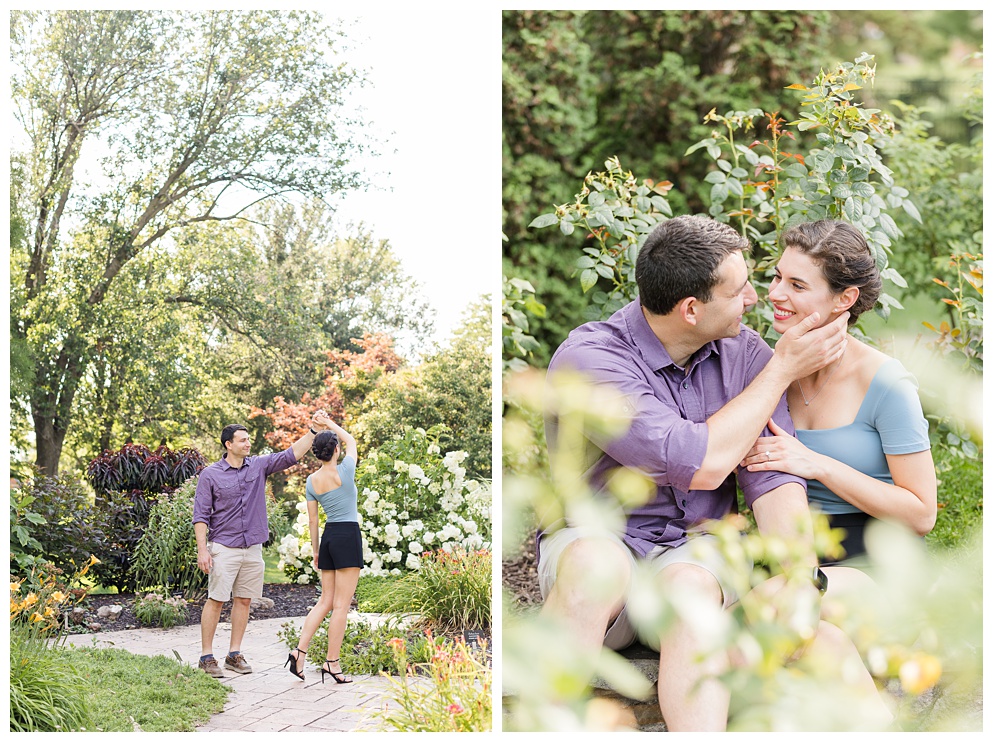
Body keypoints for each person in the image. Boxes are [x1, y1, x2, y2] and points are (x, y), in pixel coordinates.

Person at [540, 214, 886, 731]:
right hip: (599, 541)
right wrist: (783, 371)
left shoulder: (745, 355)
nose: (754, 298)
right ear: (692, 310)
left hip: (696, 555)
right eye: (740, 288)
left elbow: (770, 475)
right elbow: (696, 461)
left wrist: (797, 579)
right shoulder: (592, 359)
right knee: (594, 563)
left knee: (693, 587)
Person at [741, 219, 937, 571]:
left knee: (782, 610)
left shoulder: (886, 383)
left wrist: (818, 465)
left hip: (876, 552)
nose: (775, 293)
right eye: (777, 277)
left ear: (844, 299)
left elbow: (922, 514)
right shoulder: (769, 371)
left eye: (797, 285)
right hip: (792, 545)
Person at [193, 410, 330, 678]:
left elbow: (291, 455)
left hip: (252, 548)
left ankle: (234, 654)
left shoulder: (258, 465)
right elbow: (201, 515)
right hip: (224, 547)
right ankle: (206, 657)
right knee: (217, 600)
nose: (248, 444)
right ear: (228, 445)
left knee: (243, 600)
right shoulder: (210, 475)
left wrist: (313, 431)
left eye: (248, 440)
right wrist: (202, 550)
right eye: (242, 440)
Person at [285, 418, 361, 684]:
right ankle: (332, 663)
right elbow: (351, 440)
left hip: (328, 539)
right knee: (341, 606)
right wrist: (329, 422)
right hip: (348, 535)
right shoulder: (346, 470)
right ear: (336, 451)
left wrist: (317, 551)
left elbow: (314, 521)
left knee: (325, 601)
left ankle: (299, 652)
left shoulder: (311, 481)